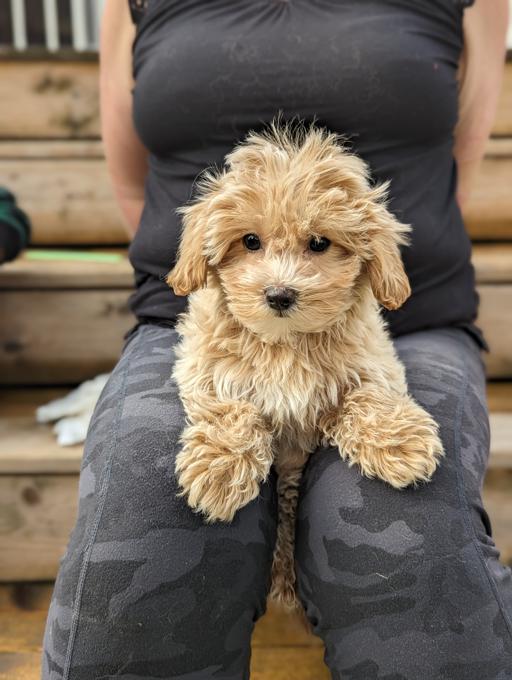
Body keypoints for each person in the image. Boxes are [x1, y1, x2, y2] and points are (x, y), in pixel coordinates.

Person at [41, 1, 512, 678]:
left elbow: (461, 153)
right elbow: (129, 172)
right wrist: (218, 279)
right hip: (198, 322)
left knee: (400, 531)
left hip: (406, 323)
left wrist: (356, 276)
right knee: (148, 527)